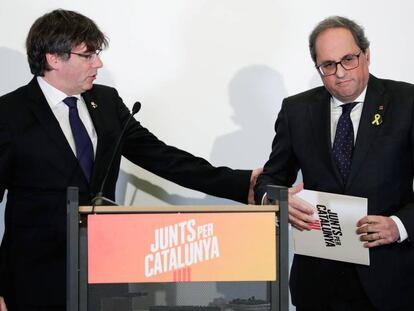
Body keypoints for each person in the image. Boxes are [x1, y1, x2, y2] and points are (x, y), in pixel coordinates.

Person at [0, 9, 260, 311]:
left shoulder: (107, 102)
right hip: (32, 280)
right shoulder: (9, 114)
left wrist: (243, 184)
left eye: (96, 54)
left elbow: (163, 158)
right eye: (87, 55)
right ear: (53, 58)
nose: (98, 63)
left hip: (104, 273)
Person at [255, 16, 414, 310]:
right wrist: (276, 201)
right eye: (328, 65)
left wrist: (400, 225)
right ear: (318, 67)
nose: (340, 73)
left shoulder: (408, 101)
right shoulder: (296, 111)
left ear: (366, 54)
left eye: (348, 59)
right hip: (317, 284)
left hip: (392, 279)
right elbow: (270, 179)